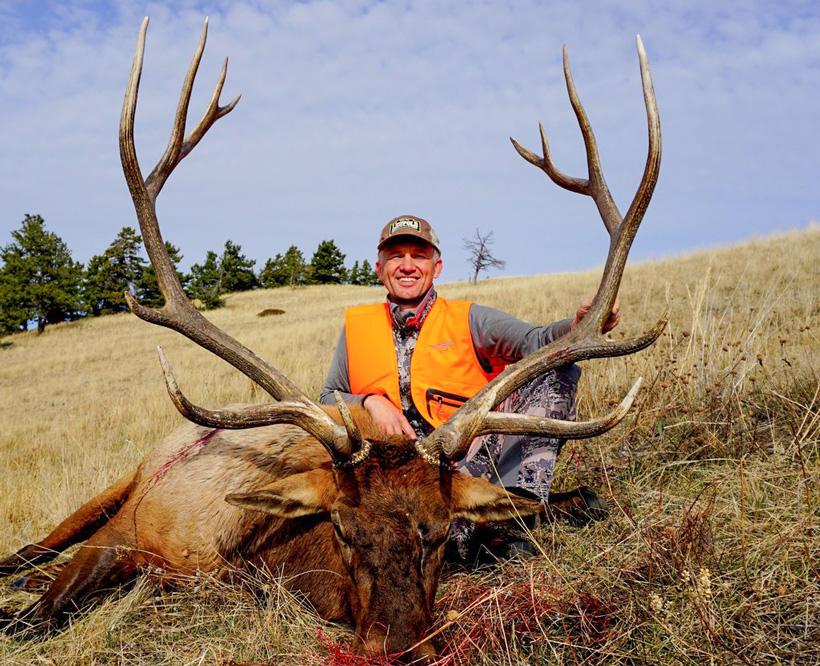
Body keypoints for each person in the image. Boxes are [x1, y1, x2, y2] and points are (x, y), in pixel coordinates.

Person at [320, 214, 619, 554]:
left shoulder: (470, 319)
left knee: (553, 374)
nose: (407, 266)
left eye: (419, 256)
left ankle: (513, 515)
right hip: (390, 480)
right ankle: (506, 521)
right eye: (396, 256)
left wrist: (577, 326)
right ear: (379, 268)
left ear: (437, 267)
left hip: (467, 466)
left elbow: (536, 342)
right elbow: (328, 397)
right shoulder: (357, 328)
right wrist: (370, 401)